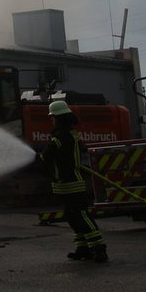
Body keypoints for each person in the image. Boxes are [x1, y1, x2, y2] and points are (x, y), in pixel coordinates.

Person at [42, 98, 108, 263]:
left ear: (58, 118)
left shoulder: (59, 137)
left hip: (70, 183)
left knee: (80, 215)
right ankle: (83, 248)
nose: (51, 120)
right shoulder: (72, 134)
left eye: (52, 117)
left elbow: (46, 156)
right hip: (69, 183)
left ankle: (99, 249)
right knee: (72, 216)